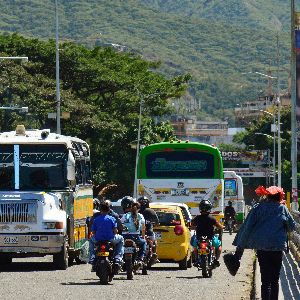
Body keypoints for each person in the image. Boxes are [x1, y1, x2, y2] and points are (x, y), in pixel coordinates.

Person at [225, 185, 295, 300]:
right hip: (277, 248)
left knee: (265, 281)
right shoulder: (282, 209)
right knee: (275, 280)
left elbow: (246, 228)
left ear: (267, 196)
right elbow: (292, 227)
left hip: (262, 248)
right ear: (279, 197)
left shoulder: (257, 208)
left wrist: (239, 252)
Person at [89, 202, 124, 271]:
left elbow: (93, 231)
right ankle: (118, 257)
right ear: (108, 210)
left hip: (98, 239)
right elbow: (115, 231)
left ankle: (92, 256)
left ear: (100, 210)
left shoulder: (96, 219)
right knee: (121, 239)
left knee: (91, 240)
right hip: (110, 239)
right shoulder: (112, 219)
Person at [191, 199, 223, 267]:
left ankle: (197, 259)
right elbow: (219, 226)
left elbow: (191, 225)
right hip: (210, 238)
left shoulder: (197, 218)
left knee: (195, 247)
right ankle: (216, 260)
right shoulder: (212, 218)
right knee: (219, 247)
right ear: (209, 208)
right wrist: (222, 227)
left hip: (199, 238)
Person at [120, 196, 147, 263]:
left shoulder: (125, 216)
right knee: (144, 243)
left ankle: (119, 260)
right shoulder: (140, 216)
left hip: (125, 237)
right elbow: (143, 228)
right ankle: (140, 259)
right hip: (136, 237)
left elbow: (120, 225)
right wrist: (143, 237)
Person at [137, 196, 160, 264]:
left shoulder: (137, 212)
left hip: (139, 233)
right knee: (154, 242)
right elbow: (157, 222)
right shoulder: (151, 211)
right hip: (149, 233)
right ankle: (154, 253)